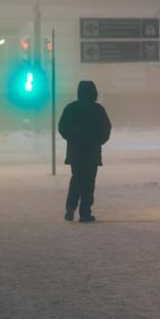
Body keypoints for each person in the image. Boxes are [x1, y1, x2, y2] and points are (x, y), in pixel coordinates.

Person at [58, 80, 112, 223]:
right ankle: (85, 213)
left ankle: (70, 207)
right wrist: (98, 141)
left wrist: (71, 138)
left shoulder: (71, 108)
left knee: (76, 179)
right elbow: (106, 129)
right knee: (88, 182)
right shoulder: (98, 110)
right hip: (92, 152)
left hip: (75, 151)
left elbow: (62, 127)